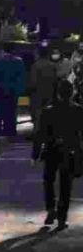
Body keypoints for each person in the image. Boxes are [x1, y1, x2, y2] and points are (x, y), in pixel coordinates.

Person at [33, 81, 83, 230]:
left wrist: (35, 154)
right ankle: (62, 217)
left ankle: (50, 209)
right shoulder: (78, 110)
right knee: (65, 185)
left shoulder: (48, 111)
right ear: (72, 92)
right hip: (69, 150)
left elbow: (40, 134)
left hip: (51, 150)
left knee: (48, 180)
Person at [0, 45, 26, 139]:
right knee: (11, 112)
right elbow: (21, 78)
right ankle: (9, 132)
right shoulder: (18, 61)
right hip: (12, 90)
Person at [29, 45, 62, 131]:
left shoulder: (35, 66)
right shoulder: (52, 66)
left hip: (38, 94)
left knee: (37, 115)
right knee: (50, 115)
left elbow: (33, 82)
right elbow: (56, 81)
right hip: (49, 94)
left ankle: (37, 133)